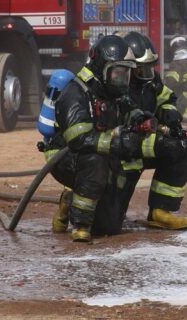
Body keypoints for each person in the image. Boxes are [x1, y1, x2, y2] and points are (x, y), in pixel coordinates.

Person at [46, 35, 144, 242]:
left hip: (98, 156)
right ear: (101, 68)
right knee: (95, 159)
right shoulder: (76, 93)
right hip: (66, 158)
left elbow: (130, 110)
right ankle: (81, 225)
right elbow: (79, 140)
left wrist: (142, 119)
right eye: (118, 73)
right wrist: (118, 142)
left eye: (126, 73)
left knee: (110, 227)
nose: (122, 79)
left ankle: (72, 200)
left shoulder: (111, 91)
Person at [121, 32, 187, 231]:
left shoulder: (151, 80)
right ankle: (70, 201)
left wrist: (169, 112)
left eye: (149, 66)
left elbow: (167, 98)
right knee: (109, 221)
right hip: (120, 151)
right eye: (141, 68)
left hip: (143, 144)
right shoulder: (117, 82)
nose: (147, 72)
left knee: (181, 147)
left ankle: (161, 211)